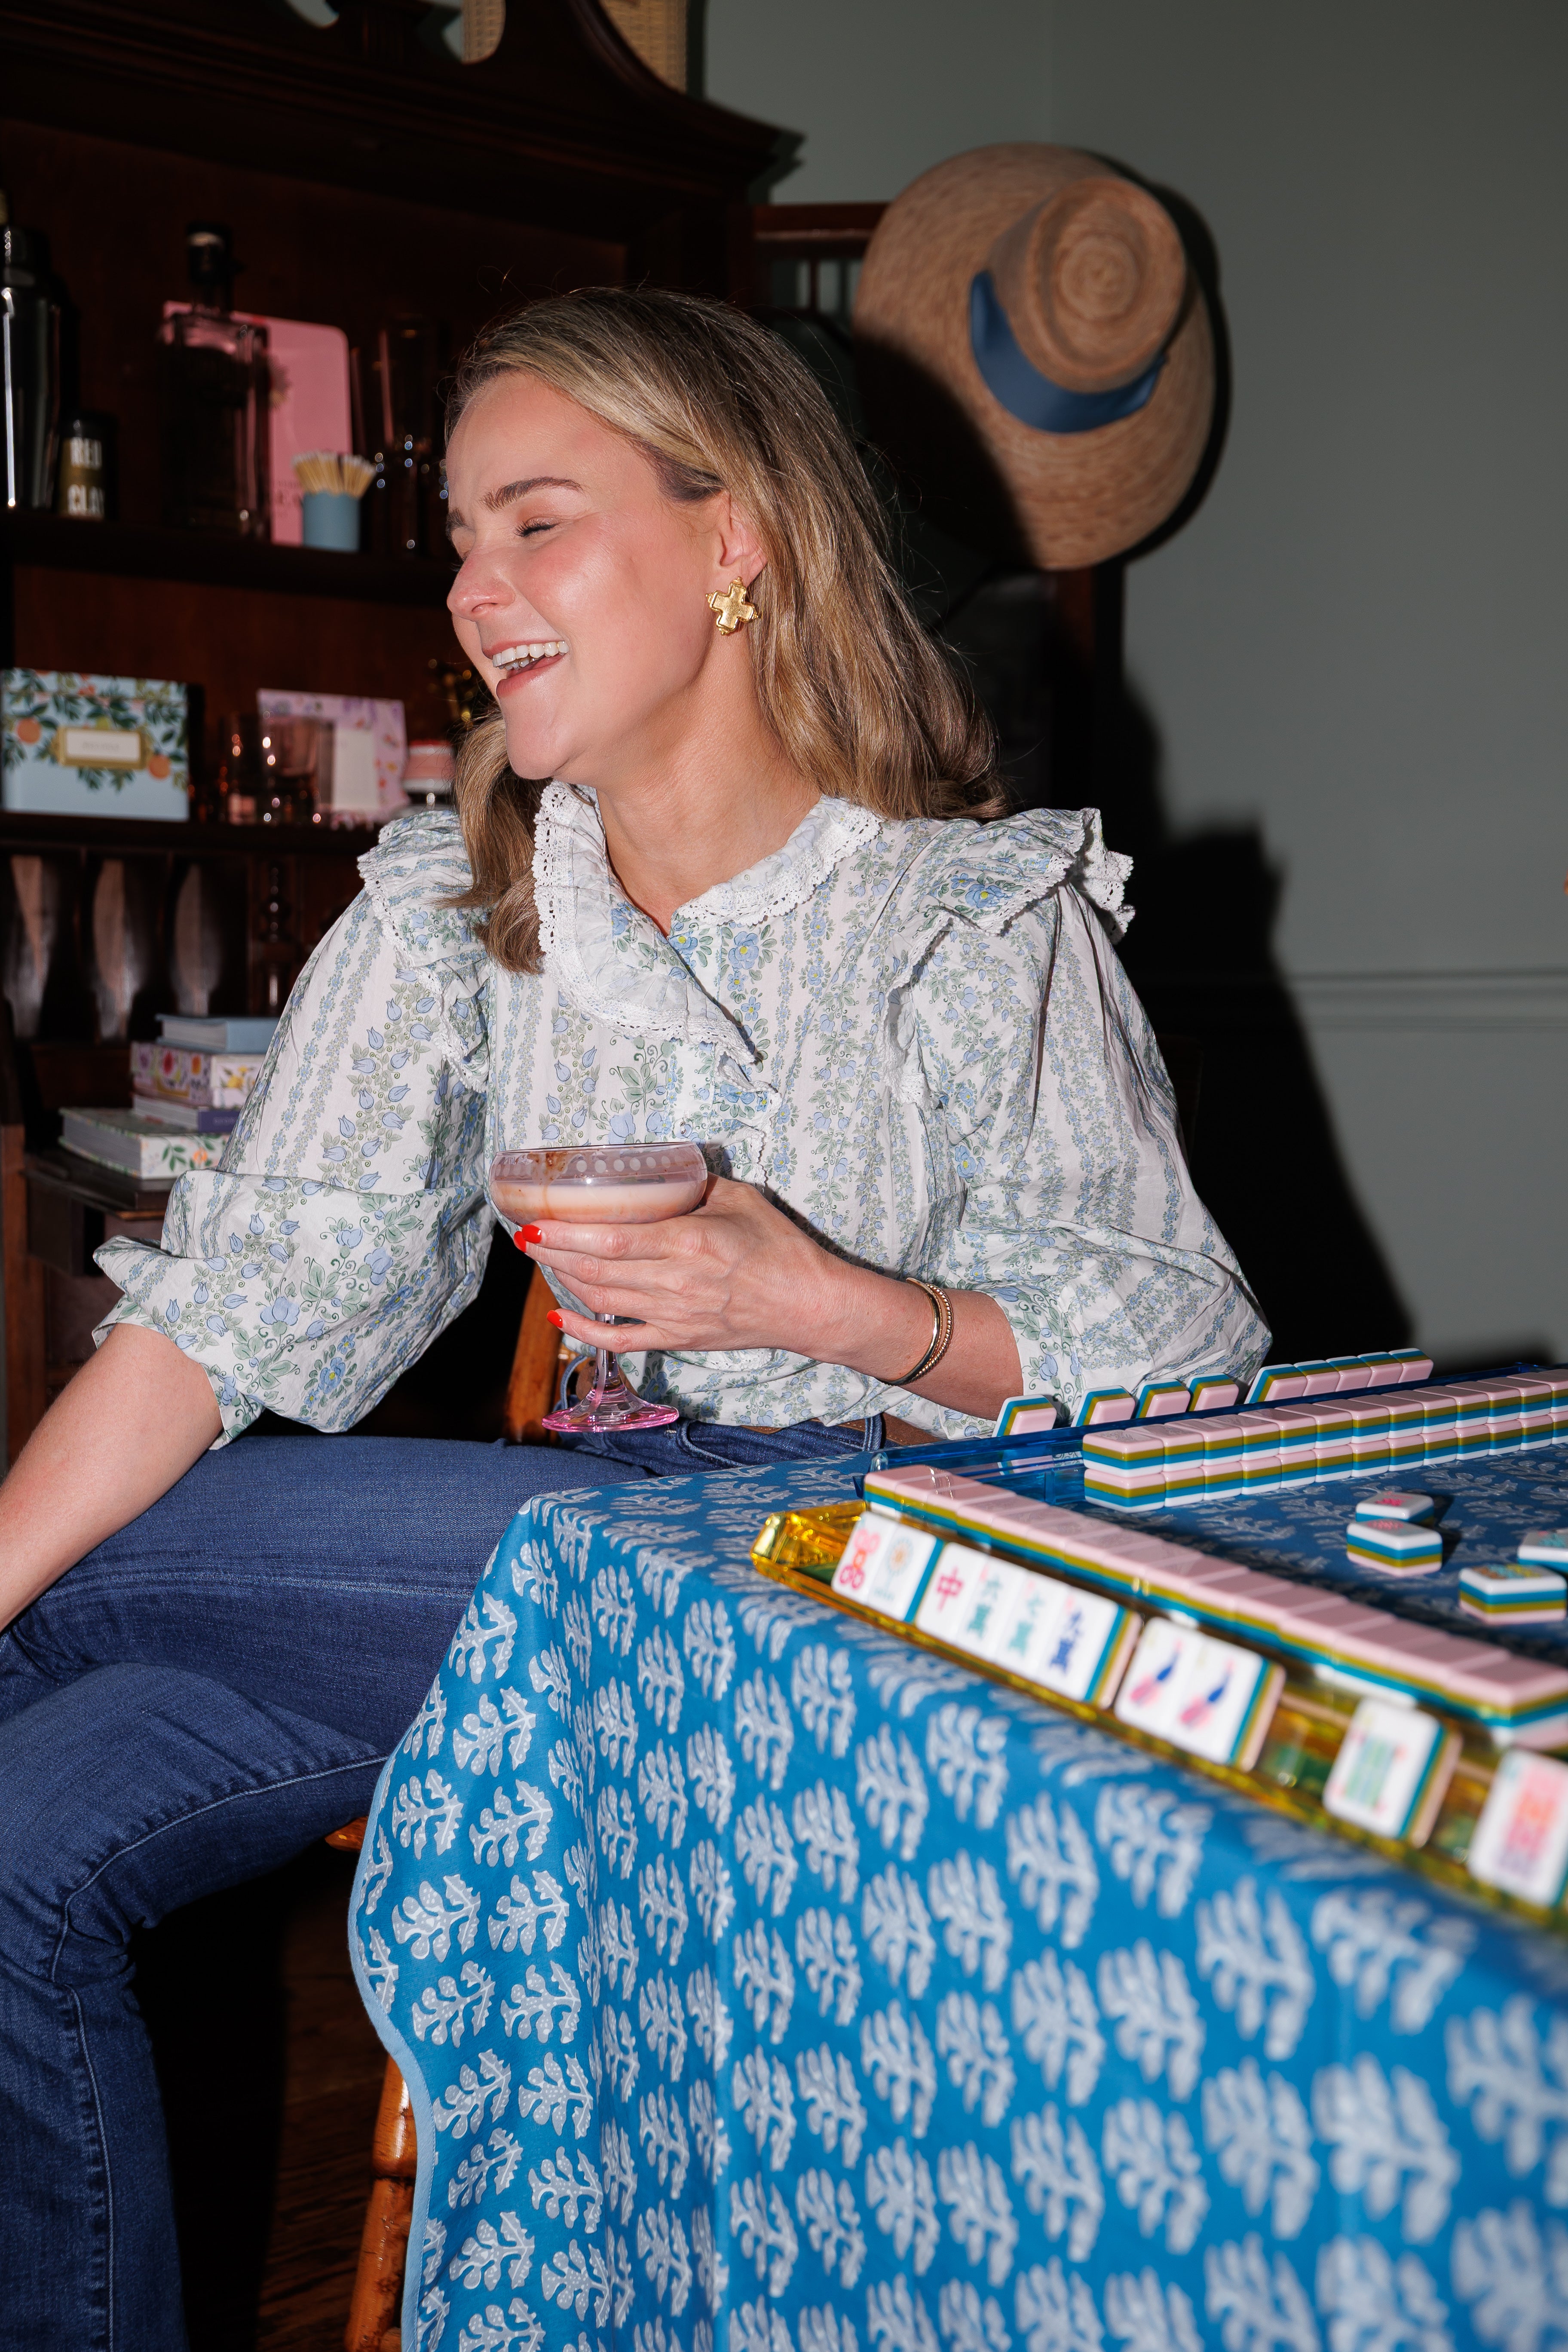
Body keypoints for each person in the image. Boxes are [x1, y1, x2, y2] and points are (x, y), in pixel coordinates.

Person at [0, 288, 1266, 2345]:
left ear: (739, 538)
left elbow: (1188, 1340)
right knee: (14, 1836)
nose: (473, 587)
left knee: (114, 1557)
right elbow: (232, 1312)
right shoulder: (459, 911)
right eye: (462, 537)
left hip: (863, 1562)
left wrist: (838, 1305)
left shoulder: (972, 910)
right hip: (567, 1549)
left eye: (535, 523)